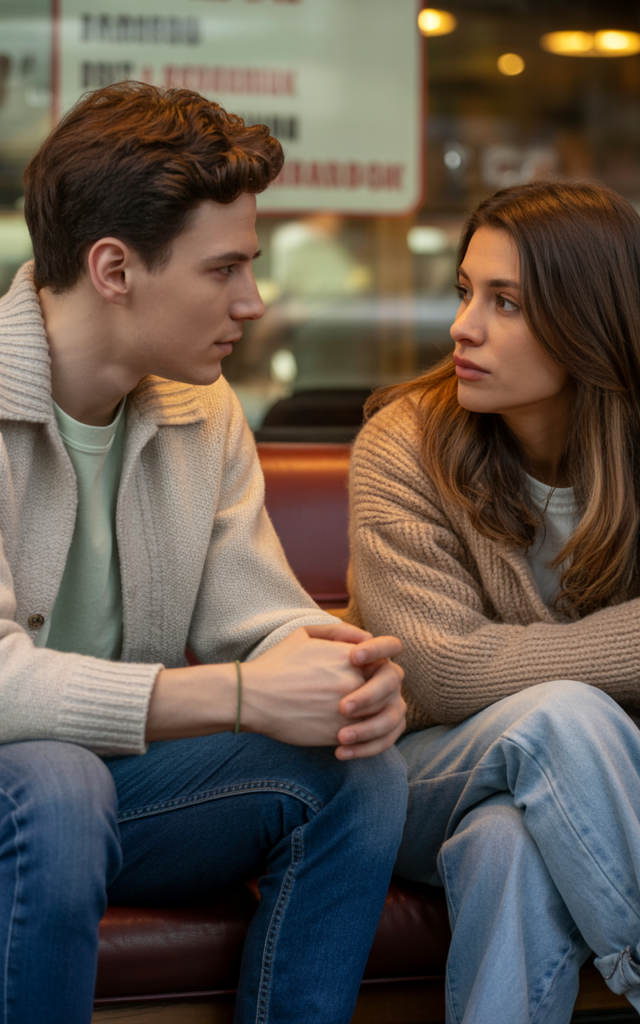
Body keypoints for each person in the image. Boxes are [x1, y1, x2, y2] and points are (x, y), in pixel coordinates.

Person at [0, 81, 408, 1024]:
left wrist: (338, 672)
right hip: (40, 794)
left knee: (358, 770)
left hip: (105, 798)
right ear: (114, 268)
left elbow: (254, 614)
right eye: (223, 270)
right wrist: (233, 695)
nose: (253, 302)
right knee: (57, 782)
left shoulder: (202, 403)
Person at [346, 179, 640, 1023]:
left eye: (505, 302)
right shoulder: (406, 442)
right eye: (466, 292)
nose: (462, 328)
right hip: (419, 777)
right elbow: (439, 672)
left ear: (593, 316)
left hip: (603, 792)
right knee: (564, 715)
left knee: (506, 845)